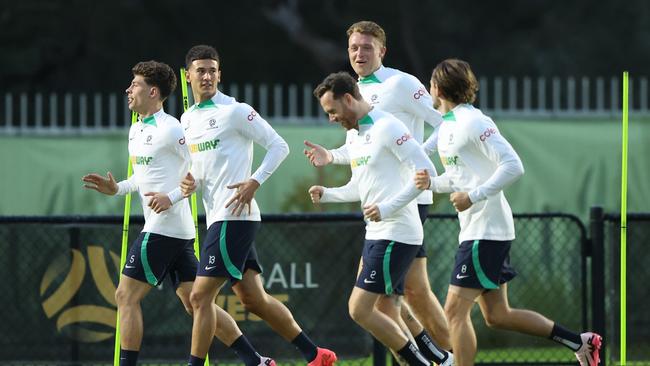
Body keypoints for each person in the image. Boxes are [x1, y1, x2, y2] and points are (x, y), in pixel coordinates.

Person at [82, 61, 274, 366]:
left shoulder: (172, 128)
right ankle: (256, 361)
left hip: (163, 228)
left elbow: (196, 169)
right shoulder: (136, 128)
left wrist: (174, 196)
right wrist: (117, 188)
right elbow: (144, 179)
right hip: (178, 233)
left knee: (125, 296)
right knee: (194, 303)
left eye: (135, 84)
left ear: (153, 91)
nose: (128, 89)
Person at [414, 58, 602, 366]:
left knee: (453, 313)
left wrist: (474, 196)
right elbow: (463, 177)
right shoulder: (449, 126)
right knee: (498, 315)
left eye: (430, 84)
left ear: (437, 88)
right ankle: (579, 342)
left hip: (485, 231)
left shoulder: (475, 122)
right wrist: (432, 183)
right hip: (480, 229)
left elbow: (513, 166)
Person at [173, 45, 337, 366]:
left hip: (233, 217)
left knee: (198, 297)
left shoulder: (235, 111)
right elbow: (201, 171)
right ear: (188, 76)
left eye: (212, 70)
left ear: (219, 74)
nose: (206, 76)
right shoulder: (187, 119)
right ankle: (314, 355)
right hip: (219, 216)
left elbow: (279, 146)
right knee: (253, 299)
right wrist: (189, 182)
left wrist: (255, 181)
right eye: (200, 70)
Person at [302, 21, 452, 361]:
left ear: (382, 51)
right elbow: (361, 152)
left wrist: (416, 156)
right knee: (390, 299)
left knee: (405, 294)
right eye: (354, 48)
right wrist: (331, 157)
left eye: (367, 47)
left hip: (409, 199)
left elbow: (444, 124)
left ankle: (452, 356)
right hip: (380, 202)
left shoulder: (400, 84)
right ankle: (439, 358)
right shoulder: (351, 91)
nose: (359, 53)